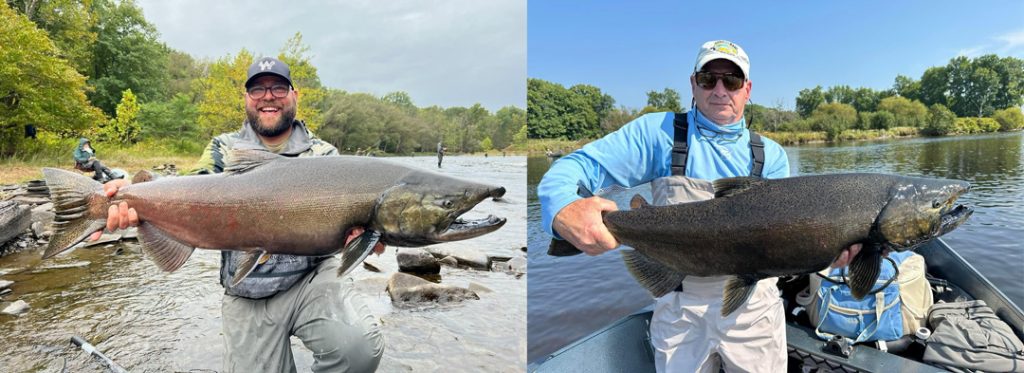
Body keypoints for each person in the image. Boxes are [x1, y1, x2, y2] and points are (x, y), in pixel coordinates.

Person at [538, 40, 863, 372]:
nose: (720, 90)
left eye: (732, 81)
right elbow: (573, 168)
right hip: (679, 308)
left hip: (753, 310)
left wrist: (821, 251)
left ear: (747, 89)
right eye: (709, 79)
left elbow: (780, 242)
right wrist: (564, 206)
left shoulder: (772, 157)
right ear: (693, 83)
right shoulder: (658, 134)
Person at [94, 57, 385, 372]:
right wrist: (132, 195)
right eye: (257, 89)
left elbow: (356, 224)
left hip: (312, 281)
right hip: (246, 290)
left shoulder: (324, 156)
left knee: (358, 349)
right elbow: (190, 186)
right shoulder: (224, 148)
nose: (268, 96)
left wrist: (367, 238)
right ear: (247, 99)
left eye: (277, 87)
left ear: (295, 95)